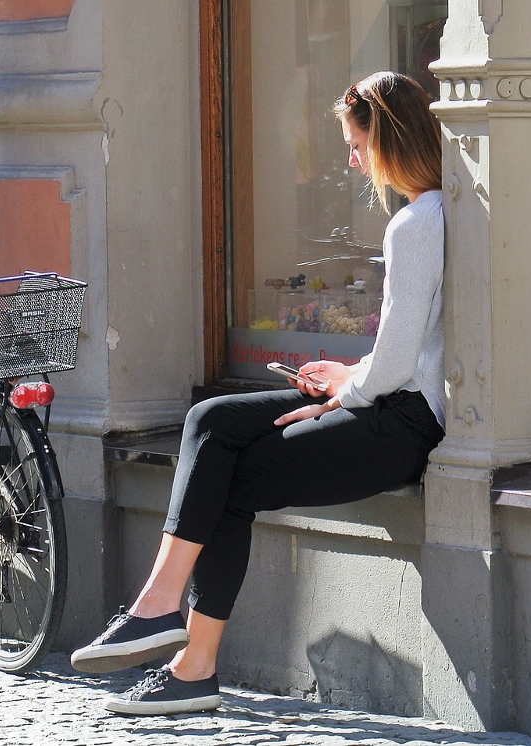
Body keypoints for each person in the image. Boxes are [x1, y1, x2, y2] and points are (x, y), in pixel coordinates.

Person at [71, 71, 448, 716]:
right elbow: (409, 347)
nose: (353, 161)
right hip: (389, 400)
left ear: (390, 140)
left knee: (230, 471)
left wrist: (346, 388)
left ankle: (187, 656)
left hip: (401, 422)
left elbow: (392, 371)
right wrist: (349, 381)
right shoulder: (439, 214)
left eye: (358, 145)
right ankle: (162, 615)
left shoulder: (416, 225)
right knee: (212, 417)